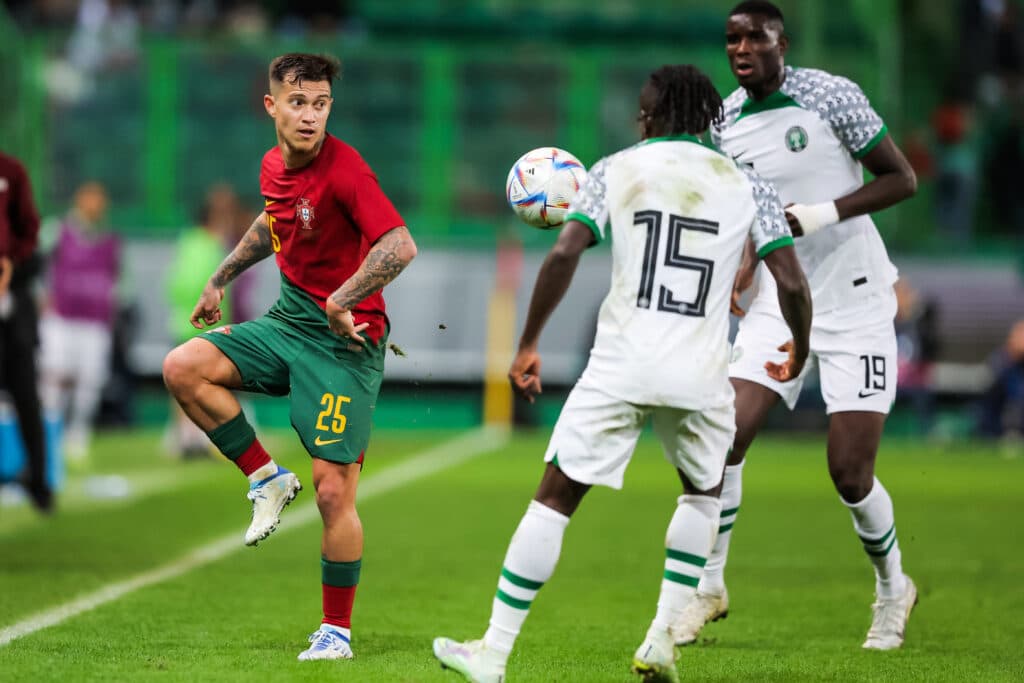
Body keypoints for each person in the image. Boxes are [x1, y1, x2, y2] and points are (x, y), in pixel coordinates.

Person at [433, 64, 811, 683]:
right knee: (703, 491)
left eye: (643, 113)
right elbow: (791, 281)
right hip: (701, 370)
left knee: (555, 497)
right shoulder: (749, 186)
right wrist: (800, 344)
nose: (639, 120)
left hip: (621, 365)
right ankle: (662, 638)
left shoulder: (616, 168)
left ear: (654, 117)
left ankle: (493, 656)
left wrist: (528, 342)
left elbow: (564, 252)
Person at [674, 0, 920, 652]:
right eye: (731, 38)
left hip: (857, 299)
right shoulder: (723, 122)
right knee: (724, 436)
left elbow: (903, 179)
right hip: (777, 305)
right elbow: (750, 209)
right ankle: (710, 584)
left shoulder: (831, 96)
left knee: (849, 471)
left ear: (783, 40)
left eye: (755, 36)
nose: (741, 48)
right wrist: (742, 265)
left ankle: (894, 586)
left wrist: (821, 213)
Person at [161, 53, 417, 661]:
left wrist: (342, 299)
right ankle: (266, 476)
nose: (310, 116)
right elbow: (272, 220)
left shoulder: (347, 169)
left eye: (321, 103)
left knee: (333, 494)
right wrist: (220, 277)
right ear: (272, 105)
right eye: (298, 102)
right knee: (182, 367)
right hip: (287, 325)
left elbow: (400, 245)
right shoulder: (273, 165)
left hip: (345, 341)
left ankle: (336, 632)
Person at [38, 181, 121, 462]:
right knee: (54, 375)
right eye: (91, 200)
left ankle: (78, 434)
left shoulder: (110, 240)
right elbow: (37, 265)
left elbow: (119, 279)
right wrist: (41, 298)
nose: (95, 206)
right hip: (61, 317)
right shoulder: (57, 231)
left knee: (89, 381)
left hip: (95, 321)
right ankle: (50, 432)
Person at [164, 184, 243, 458]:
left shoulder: (210, 243)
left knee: (199, 382)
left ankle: (193, 437)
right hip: (196, 325)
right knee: (193, 381)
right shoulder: (200, 243)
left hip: (205, 325)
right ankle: (189, 437)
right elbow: (184, 284)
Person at [0, 150, 51, 512]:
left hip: (12, 310)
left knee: (26, 397)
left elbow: (30, 237)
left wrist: (10, 268)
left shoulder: (10, 172)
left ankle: (39, 481)